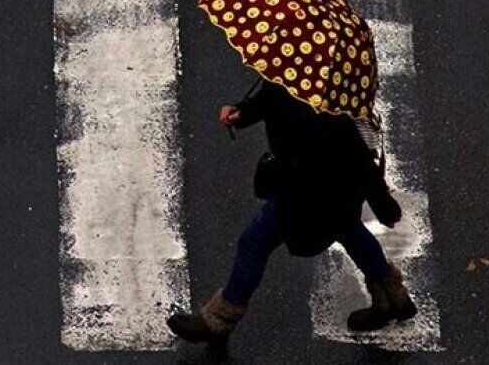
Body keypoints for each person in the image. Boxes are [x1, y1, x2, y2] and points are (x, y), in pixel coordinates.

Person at [167, 78, 416, 347]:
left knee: (254, 242)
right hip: (334, 195)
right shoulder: (324, 86)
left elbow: (359, 160)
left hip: (306, 194)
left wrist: (385, 208)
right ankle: (393, 297)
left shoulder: (318, 101)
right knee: (349, 231)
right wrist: (243, 112)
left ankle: (219, 320)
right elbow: (271, 97)